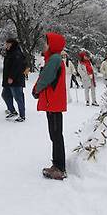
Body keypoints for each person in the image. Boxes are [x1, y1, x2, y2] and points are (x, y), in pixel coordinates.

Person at [32, 32, 68, 180]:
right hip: (53, 103)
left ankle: (60, 168)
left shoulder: (54, 59)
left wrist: (36, 90)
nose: (44, 45)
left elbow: (45, 77)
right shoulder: (54, 58)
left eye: (47, 42)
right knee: (55, 135)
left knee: (56, 135)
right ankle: (57, 164)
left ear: (52, 45)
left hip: (53, 103)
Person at [2, 38, 27, 122]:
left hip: (16, 80)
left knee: (18, 97)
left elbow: (17, 67)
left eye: (7, 44)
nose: (6, 45)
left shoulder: (17, 53)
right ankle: (12, 111)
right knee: (5, 95)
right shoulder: (10, 53)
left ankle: (22, 115)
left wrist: (11, 77)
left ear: (12, 44)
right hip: (8, 80)